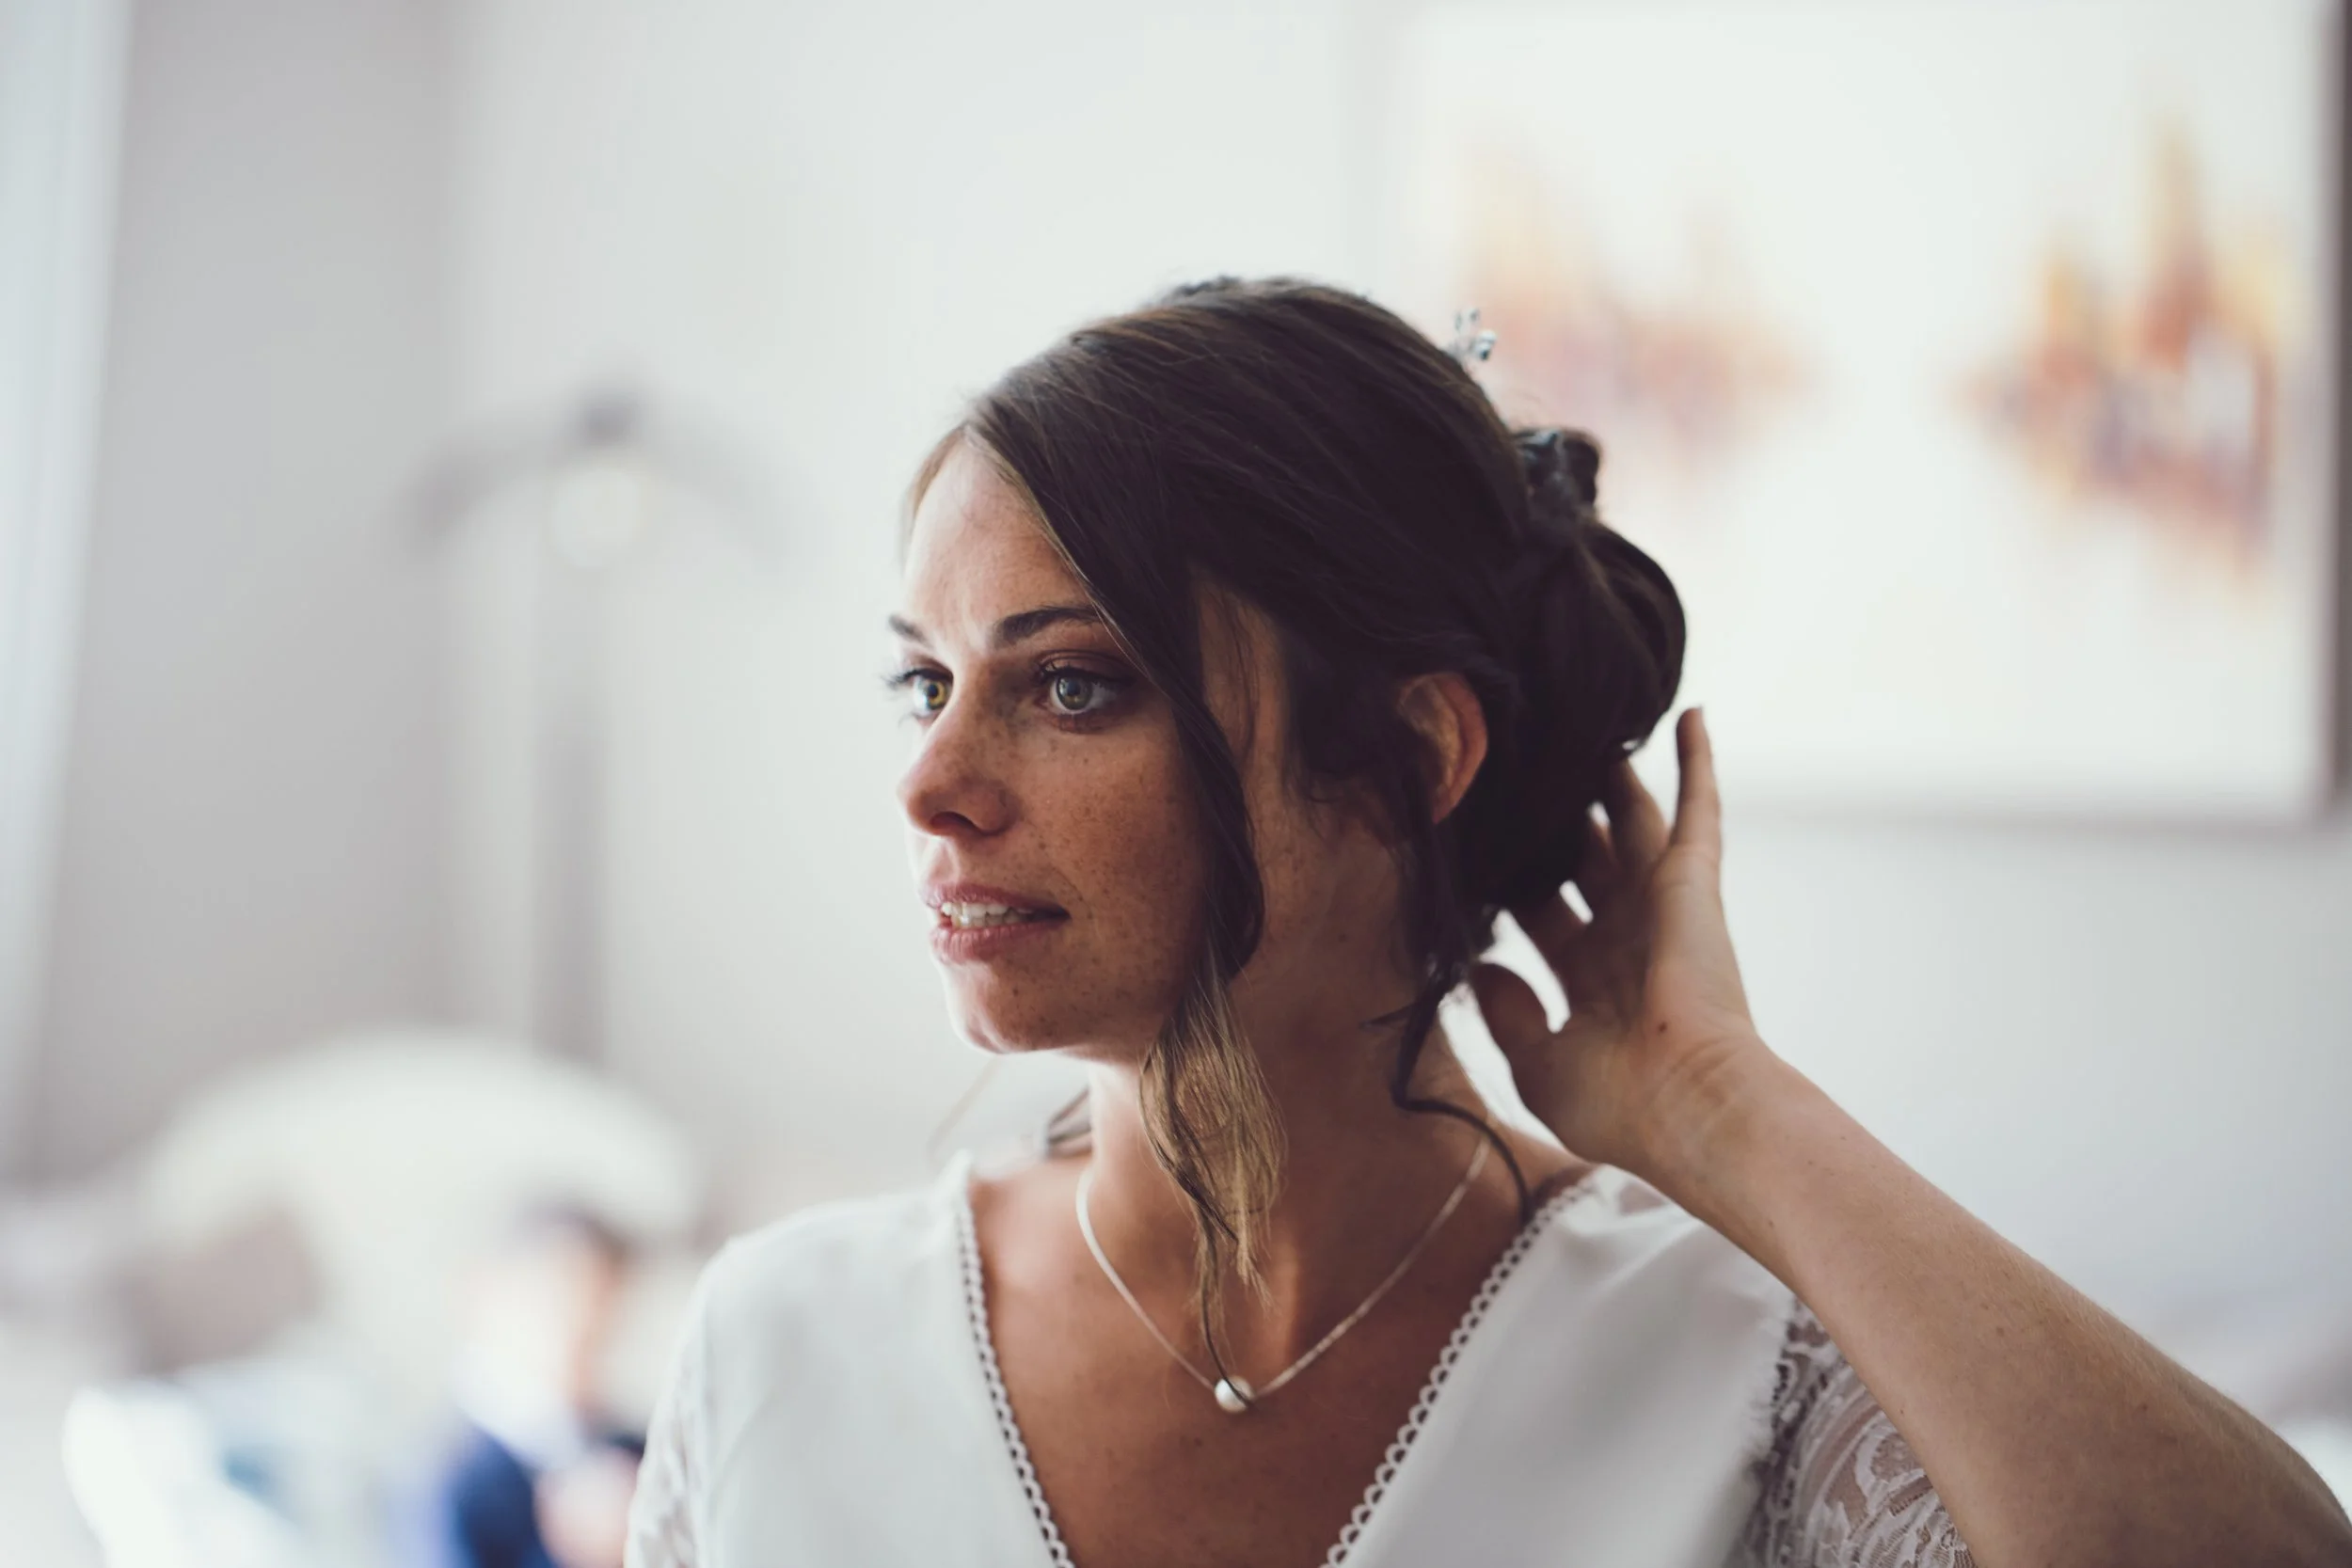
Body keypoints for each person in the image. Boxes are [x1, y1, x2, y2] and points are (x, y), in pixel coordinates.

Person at [621, 277, 2351, 1567]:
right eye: (920, 680)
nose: (929, 782)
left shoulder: (1725, 1365)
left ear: (1410, 753)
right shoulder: (777, 1343)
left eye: (1071, 686)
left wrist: (1723, 1102)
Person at [422, 1205, 644, 1568]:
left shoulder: (634, 1453)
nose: (581, 1335)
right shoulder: (443, 1481)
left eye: (604, 1315)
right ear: (487, 1295)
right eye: (559, 1303)